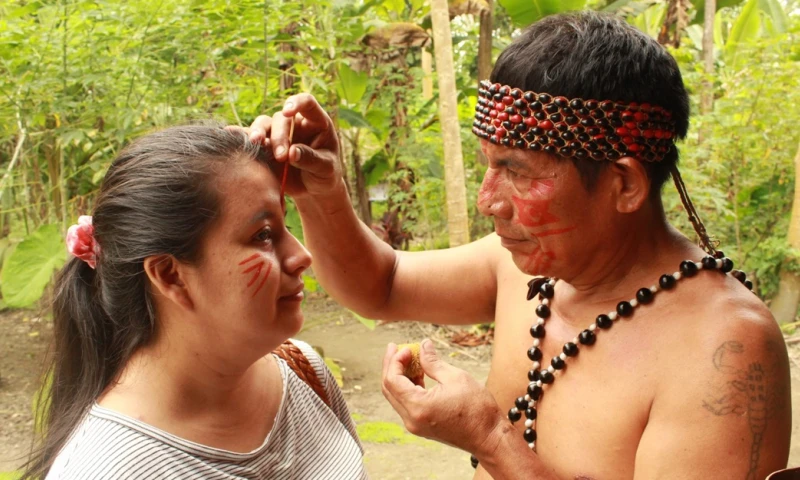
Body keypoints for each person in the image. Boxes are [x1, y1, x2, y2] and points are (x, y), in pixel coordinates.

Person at [243, 11, 791, 480]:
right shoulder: (525, 264)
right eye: (488, 166)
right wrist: (321, 191)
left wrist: (489, 438)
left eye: (517, 172)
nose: (488, 201)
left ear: (624, 184)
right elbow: (380, 286)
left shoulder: (723, 352)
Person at [19, 125, 366, 479]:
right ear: (170, 275)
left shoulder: (303, 371)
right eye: (262, 235)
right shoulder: (106, 470)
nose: (301, 255)